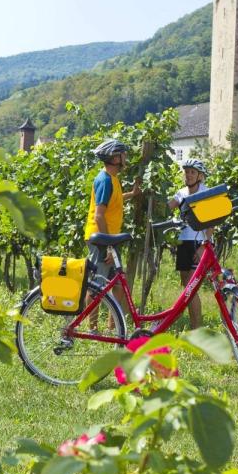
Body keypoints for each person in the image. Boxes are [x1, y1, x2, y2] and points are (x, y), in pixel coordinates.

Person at [84, 138, 141, 330]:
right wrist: (108, 246)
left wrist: (131, 194)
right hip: (101, 240)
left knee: (117, 285)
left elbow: (113, 199)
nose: (126, 157)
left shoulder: (113, 179)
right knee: (96, 286)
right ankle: (92, 330)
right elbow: (99, 215)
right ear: (115, 158)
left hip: (108, 240)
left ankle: (112, 328)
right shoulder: (105, 180)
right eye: (123, 154)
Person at [167, 158, 209, 330]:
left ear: (200, 176)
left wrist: (204, 246)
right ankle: (192, 326)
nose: (189, 175)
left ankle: (196, 329)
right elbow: (167, 207)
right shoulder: (181, 193)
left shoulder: (205, 193)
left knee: (192, 288)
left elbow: (211, 223)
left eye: (192, 172)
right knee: (186, 286)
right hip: (183, 241)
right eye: (186, 172)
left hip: (198, 242)